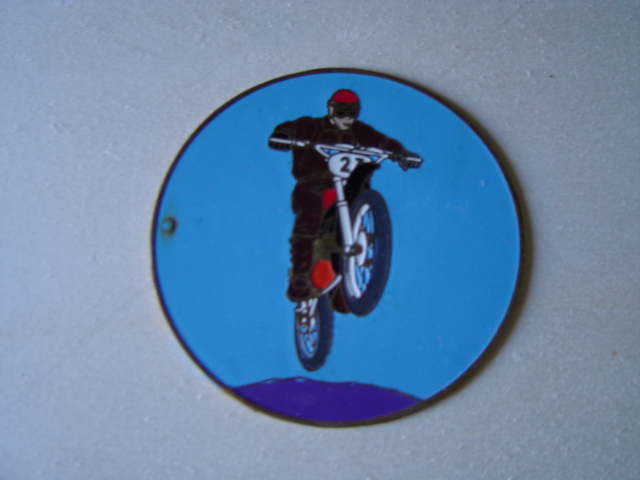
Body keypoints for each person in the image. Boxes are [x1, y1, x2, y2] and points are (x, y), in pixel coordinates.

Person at [268, 89, 412, 301]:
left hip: (351, 188)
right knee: (309, 220)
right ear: (330, 109)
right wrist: (283, 136)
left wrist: (400, 153)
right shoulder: (311, 126)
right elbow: (289, 129)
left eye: (352, 113)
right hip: (314, 184)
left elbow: (382, 142)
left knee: (362, 205)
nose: (347, 118)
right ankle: (299, 277)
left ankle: (353, 268)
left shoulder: (360, 130)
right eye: (341, 112)